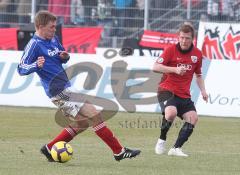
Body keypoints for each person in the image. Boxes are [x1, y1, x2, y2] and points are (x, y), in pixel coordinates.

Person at [17, 10, 141, 162]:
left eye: (55, 26)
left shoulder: (53, 39)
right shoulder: (34, 45)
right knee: (95, 115)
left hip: (66, 86)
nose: (54, 29)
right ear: (40, 27)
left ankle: (50, 147)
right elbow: (21, 68)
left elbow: (61, 57)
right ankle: (119, 151)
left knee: (82, 123)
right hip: (57, 90)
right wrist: (36, 65)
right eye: (51, 27)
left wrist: (64, 57)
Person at [152, 23, 208, 157]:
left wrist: (203, 91)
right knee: (171, 113)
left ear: (192, 39)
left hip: (184, 94)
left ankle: (176, 148)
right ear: (178, 37)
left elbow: (198, 75)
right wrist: (174, 69)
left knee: (193, 118)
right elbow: (155, 67)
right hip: (166, 90)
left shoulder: (197, 54)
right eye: (182, 37)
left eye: (187, 38)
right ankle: (162, 139)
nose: (184, 40)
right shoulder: (170, 50)